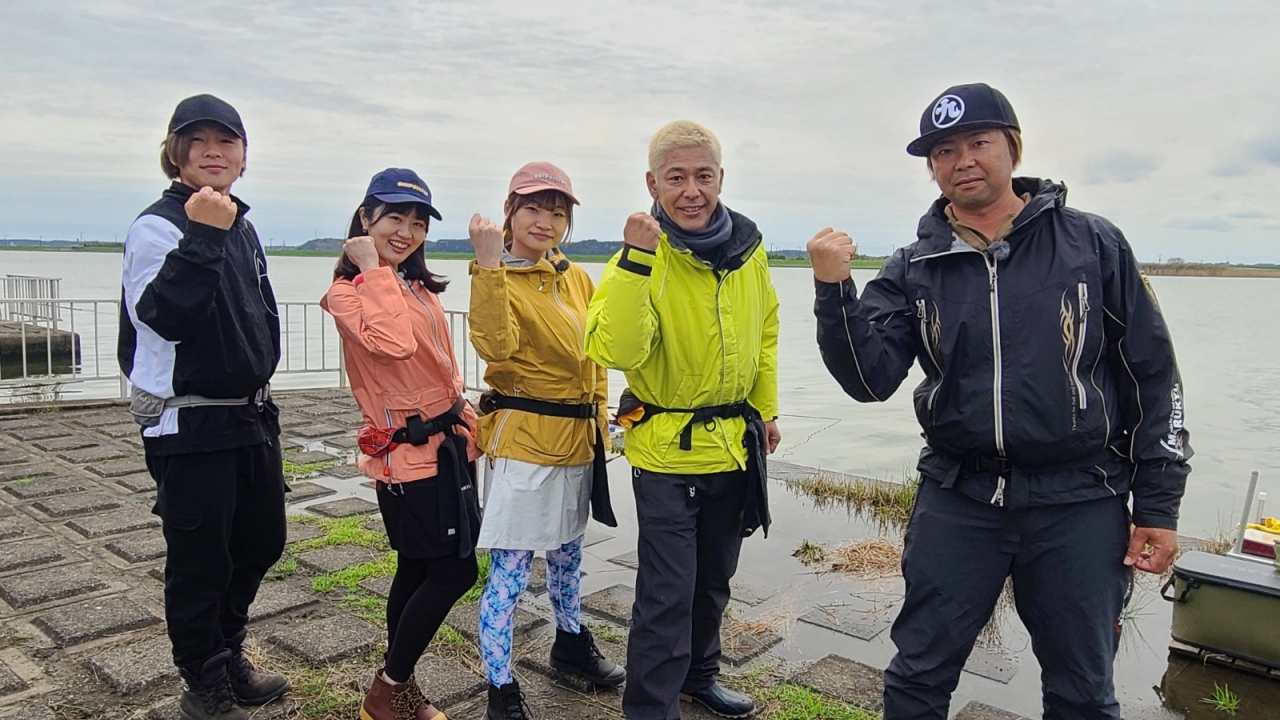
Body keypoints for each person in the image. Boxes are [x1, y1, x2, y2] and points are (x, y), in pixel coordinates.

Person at [807, 83, 1192, 720]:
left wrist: (1158, 503)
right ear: (931, 168)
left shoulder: (1094, 245)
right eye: (943, 151)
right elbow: (868, 380)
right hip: (960, 500)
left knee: (1083, 691)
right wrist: (832, 292)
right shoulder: (913, 267)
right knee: (918, 677)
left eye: (978, 142)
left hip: (1080, 501)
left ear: (1011, 148)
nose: (962, 160)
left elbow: (1154, 378)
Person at [585, 121, 781, 720]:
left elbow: (767, 328)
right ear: (653, 183)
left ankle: (699, 677)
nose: (691, 190)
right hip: (666, 453)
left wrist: (765, 409)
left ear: (721, 178)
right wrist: (637, 260)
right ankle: (650, 708)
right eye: (676, 178)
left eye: (703, 176)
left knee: (714, 581)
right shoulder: (639, 258)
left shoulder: (749, 249)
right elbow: (614, 349)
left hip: (734, 446)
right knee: (666, 594)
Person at [118, 93, 289, 720]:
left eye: (227, 141)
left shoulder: (243, 226)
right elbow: (165, 314)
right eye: (198, 141)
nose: (213, 151)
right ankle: (204, 678)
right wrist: (203, 236)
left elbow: (257, 316)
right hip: (187, 417)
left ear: (244, 158)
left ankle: (227, 650)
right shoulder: (158, 226)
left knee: (261, 540)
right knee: (200, 558)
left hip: (247, 415)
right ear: (175, 154)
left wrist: (220, 230)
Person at [321, 168, 482, 720]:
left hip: (445, 443)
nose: (406, 232)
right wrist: (371, 268)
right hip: (408, 456)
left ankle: (401, 691)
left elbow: (437, 363)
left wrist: (465, 409)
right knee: (456, 571)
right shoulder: (347, 293)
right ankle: (387, 690)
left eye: (417, 223)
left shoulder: (413, 286)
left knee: (416, 566)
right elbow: (392, 343)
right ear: (365, 219)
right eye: (394, 217)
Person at [467, 162, 624, 720]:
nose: (546, 220)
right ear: (509, 212)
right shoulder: (497, 276)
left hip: (579, 440)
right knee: (511, 569)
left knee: (568, 553)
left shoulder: (575, 277)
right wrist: (487, 265)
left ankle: (571, 642)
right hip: (526, 442)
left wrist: (604, 422)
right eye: (533, 207)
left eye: (558, 212)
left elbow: (598, 358)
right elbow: (495, 345)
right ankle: (500, 688)